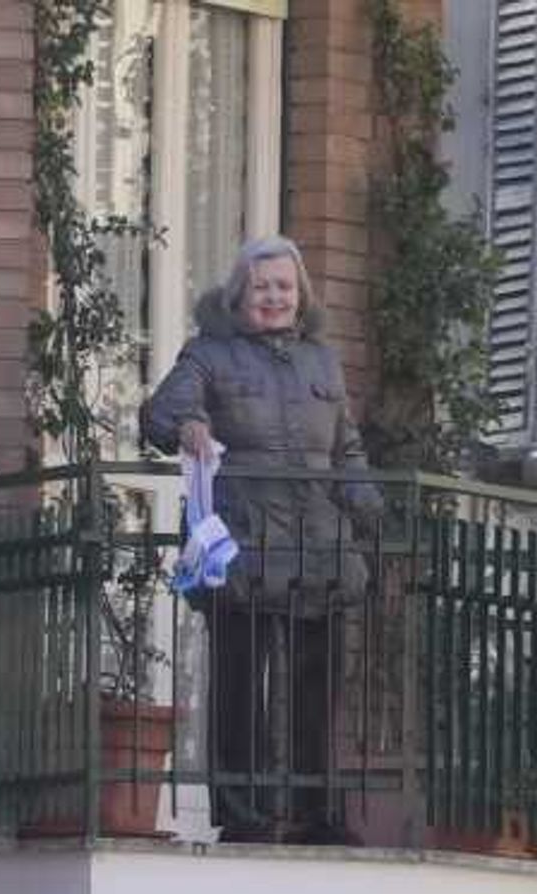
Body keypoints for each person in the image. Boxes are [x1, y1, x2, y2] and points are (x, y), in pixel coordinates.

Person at [139, 235, 385, 847]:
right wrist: (189, 422)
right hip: (244, 542)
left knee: (313, 685)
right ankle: (242, 811)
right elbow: (159, 413)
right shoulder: (210, 353)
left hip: (316, 545)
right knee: (241, 681)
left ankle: (313, 813)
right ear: (240, 295)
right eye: (261, 287)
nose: (273, 298)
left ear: (300, 296)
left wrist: (370, 507)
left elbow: (346, 450)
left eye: (284, 287)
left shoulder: (322, 362)